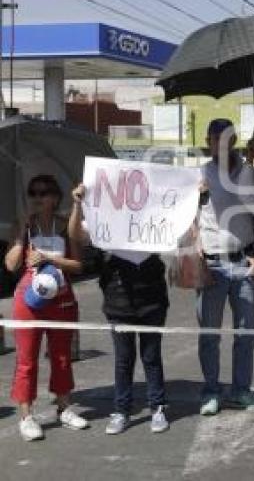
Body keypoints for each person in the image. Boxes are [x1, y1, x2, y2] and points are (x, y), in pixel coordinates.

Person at [68, 184, 170, 435]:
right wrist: (77, 204)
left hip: (152, 300)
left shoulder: (153, 217)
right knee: (124, 360)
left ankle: (157, 407)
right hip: (118, 301)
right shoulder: (105, 219)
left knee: (151, 357)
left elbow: (180, 228)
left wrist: (194, 197)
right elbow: (76, 236)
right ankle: (121, 410)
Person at [196, 119, 254, 416]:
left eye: (227, 138)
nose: (221, 144)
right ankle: (211, 391)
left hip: (242, 261)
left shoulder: (248, 172)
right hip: (211, 263)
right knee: (209, 334)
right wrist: (194, 248)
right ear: (209, 141)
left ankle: (241, 390)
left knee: (246, 333)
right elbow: (186, 215)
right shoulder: (199, 174)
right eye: (216, 139)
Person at [4, 174, 87, 441]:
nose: (38, 198)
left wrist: (50, 258)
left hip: (61, 297)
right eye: (33, 193)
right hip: (29, 299)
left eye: (44, 192)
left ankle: (63, 407)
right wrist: (21, 238)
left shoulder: (65, 227)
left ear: (55, 197)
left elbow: (78, 265)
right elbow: (10, 265)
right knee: (26, 360)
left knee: (62, 357)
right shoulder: (24, 226)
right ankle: (26, 416)